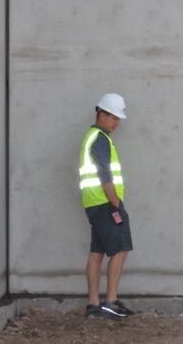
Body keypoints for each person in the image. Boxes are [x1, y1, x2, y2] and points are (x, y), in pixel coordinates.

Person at [79, 93, 135, 318]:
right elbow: (105, 175)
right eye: (114, 118)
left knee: (97, 252)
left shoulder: (92, 137)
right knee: (121, 249)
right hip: (105, 204)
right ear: (102, 115)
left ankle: (93, 305)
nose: (118, 123)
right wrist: (116, 204)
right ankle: (111, 302)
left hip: (94, 205)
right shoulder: (100, 138)